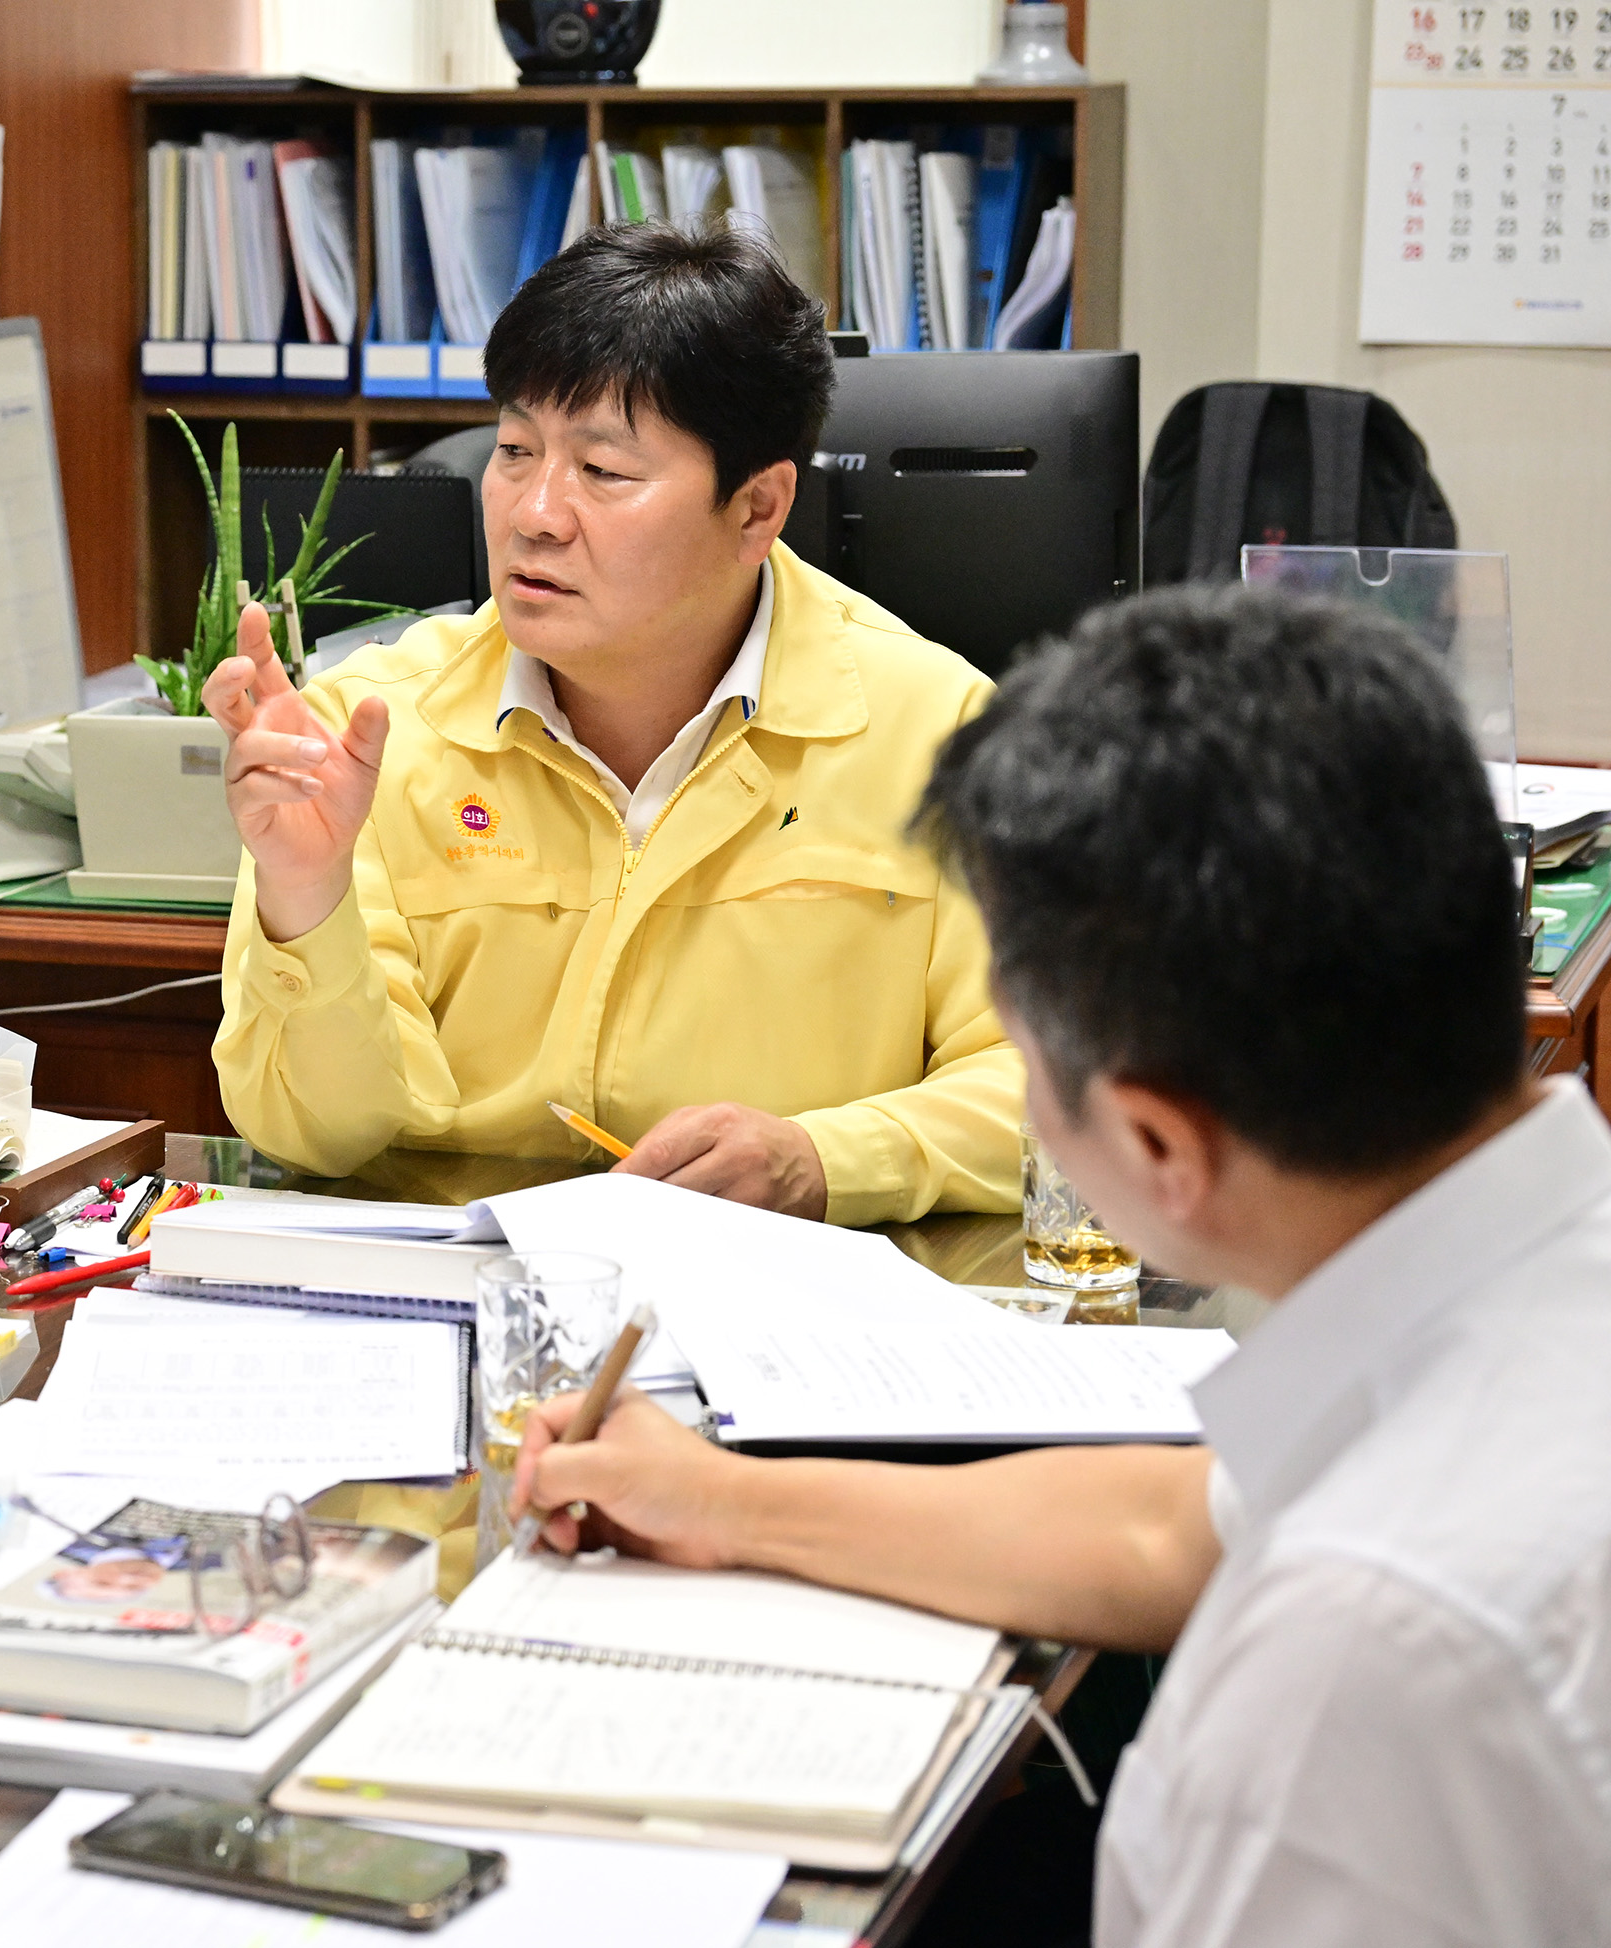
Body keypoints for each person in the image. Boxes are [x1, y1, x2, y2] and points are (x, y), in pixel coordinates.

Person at [513, 582, 1607, 1944]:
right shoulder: (1538, 1275)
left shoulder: (1359, 1664)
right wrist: (726, 1502)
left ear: (1156, 1142)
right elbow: (1176, 1525)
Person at [206, 225, 1018, 1224]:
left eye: (605, 472)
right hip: (463, 1303)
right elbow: (321, 1134)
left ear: (758, 507)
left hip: (788, 1309)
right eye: (514, 451)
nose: (534, 513)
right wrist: (306, 890)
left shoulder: (940, 734)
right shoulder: (369, 732)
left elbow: (1059, 1092)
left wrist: (823, 1159)